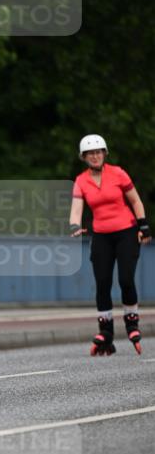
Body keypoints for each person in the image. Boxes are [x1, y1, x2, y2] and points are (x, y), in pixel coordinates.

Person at [69, 134, 151, 355]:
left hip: (126, 231)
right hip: (102, 236)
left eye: (98, 152)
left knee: (125, 278)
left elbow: (135, 200)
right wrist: (74, 226)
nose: (95, 156)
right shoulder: (81, 180)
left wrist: (143, 226)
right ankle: (106, 331)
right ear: (84, 157)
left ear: (104, 154)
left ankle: (131, 322)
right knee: (102, 282)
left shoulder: (118, 173)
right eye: (90, 154)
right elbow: (76, 208)